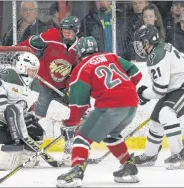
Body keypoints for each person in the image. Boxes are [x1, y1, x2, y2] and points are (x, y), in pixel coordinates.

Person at [56, 36, 143, 188]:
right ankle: (128, 166)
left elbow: (78, 104)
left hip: (110, 106)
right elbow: (136, 74)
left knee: (82, 136)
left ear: (79, 53)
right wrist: (125, 91)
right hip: (131, 104)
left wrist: (71, 123)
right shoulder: (111, 56)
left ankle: (76, 171)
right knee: (111, 135)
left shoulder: (81, 68)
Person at [133, 24, 184, 170]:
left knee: (166, 113)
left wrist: (143, 94)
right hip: (177, 87)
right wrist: (145, 94)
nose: (139, 46)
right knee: (156, 119)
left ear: (148, 41)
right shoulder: (159, 48)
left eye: (141, 42)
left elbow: (159, 90)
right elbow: (163, 86)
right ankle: (150, 155)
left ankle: (179, 155)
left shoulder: (156, 56)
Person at [18, 15, 80, 166]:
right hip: (42, 83)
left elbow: (78, 70)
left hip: (64, 88)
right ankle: (28, 149)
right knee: (35, 117)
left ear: (76, 31)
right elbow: (28, 44)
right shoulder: (52, 35)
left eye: (70, 31)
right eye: (64, 30)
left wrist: (70, 88)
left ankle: (71, 149)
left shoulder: (79, 47)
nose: (66, 33)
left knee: (77, 113)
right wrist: (19, 53)